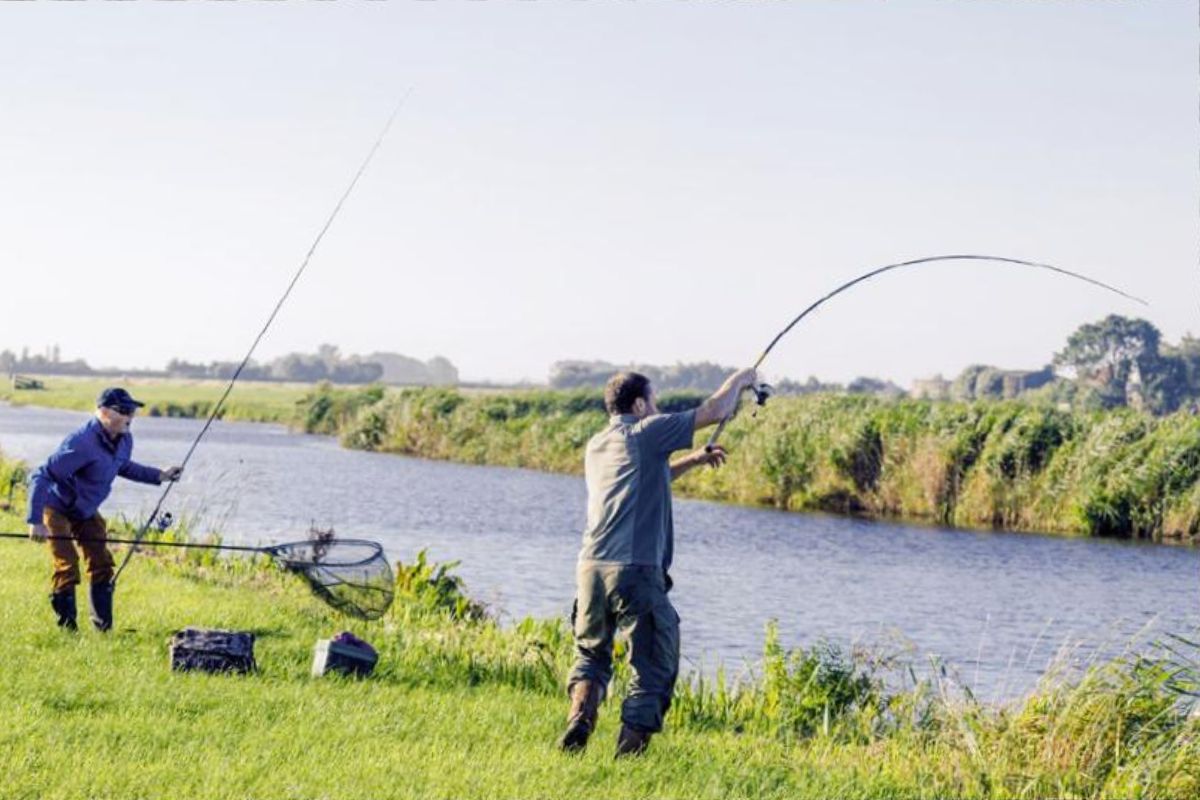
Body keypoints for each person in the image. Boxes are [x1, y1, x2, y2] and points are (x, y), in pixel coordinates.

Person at [560, 367, 757, 757]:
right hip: (633, 570)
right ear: (637, 404)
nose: (658, 408)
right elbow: (715, 410)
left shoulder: (598, 445)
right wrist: (741, 379)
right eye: (653, 401)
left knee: (591, 654)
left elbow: (651, 476)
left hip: (590, 568)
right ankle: (628, 760)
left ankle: (579, 720)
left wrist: (695, 460)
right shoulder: (646, 432)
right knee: (654, 663)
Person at [26, 387, 182, 631]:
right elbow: (42, 475)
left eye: (133, 411)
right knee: (67, 564)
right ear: (103, 412)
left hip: (86, 510)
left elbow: (124, 466)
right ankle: (68, 630)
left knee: (102, 563)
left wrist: (160, 475)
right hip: (57, 508)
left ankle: (103, 629)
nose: (131, 416)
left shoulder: (124, 439)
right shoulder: (81, 443)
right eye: (125, 411)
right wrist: (35, 520)